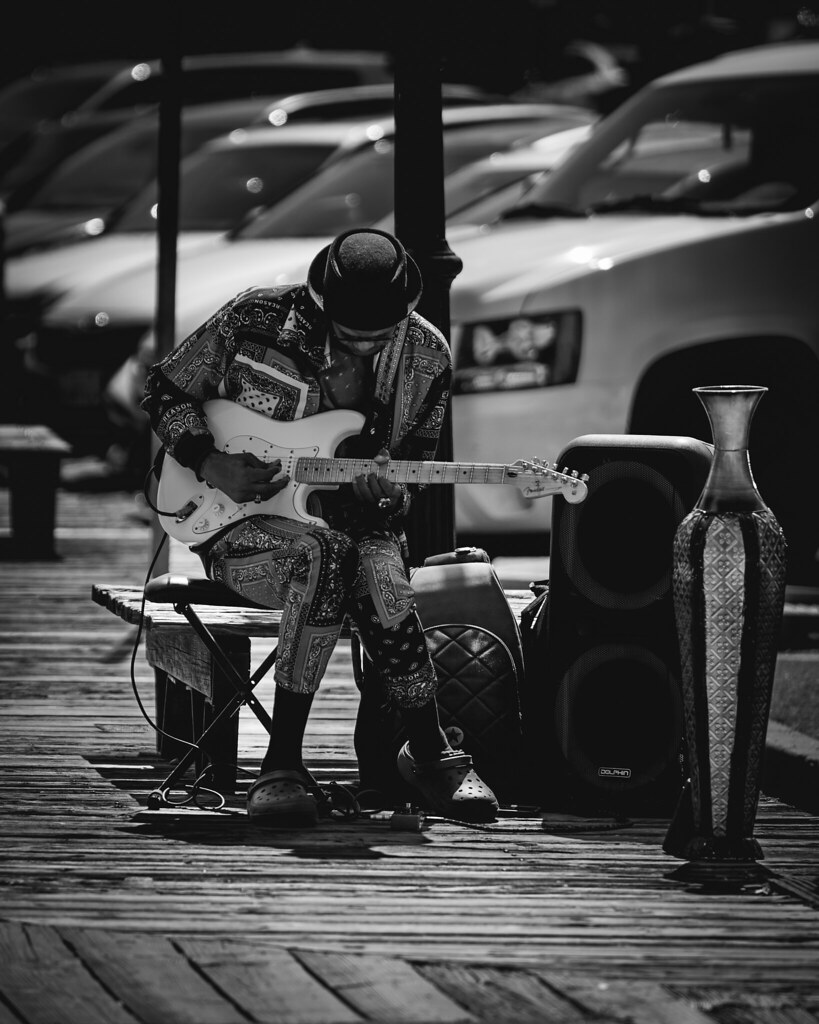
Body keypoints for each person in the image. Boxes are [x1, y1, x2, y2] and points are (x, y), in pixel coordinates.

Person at [141, 228, 499, 826]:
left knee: (379, 564)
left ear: (406, 311)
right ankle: (283, 765)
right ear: (322, 303)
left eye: (379, 337)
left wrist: (385, 496)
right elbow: (163, 389)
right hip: (236, 531)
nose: (363, 348)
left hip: (350, 537)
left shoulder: (427, 357)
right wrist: (210, 460)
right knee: (322, 554)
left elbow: (405, 482)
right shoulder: (254, 320)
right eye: (351, 334)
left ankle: (429, 749)